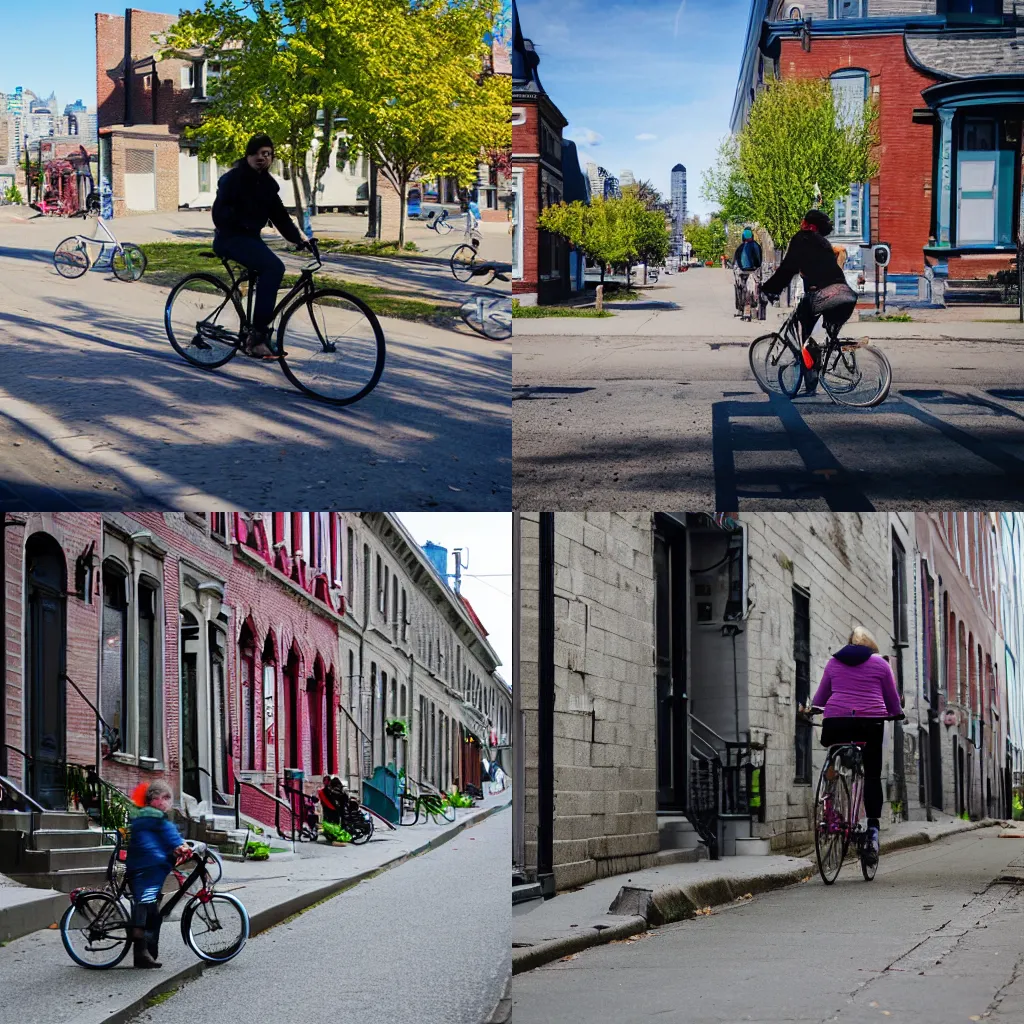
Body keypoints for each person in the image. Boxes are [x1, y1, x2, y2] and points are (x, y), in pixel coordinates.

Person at [211, 133, 316, 359]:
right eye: (258, 153)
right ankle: (257, 338)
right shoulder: (233, 179)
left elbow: (280, 216)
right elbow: (219, 214)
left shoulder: (268, 185)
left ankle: (254, 331)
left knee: (267, 269)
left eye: (267, 154)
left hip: (250, 239)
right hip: (229, 238)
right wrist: (240, 221)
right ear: (248, 155)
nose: (263, 158)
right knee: (274, 268)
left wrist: (299, 239)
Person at [810, 626, 904, 863]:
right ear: (872, 648)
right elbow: (892, 700)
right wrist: (896, 713)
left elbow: (820, 698)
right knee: (872, 775)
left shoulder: (833, 663)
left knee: (835, 750)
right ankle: (872, 828)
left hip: (836, 723)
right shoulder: (881, 665)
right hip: (870, 723)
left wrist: (815, 708)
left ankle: (829, 793)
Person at [760, 209, 858, 393]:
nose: (800, 224)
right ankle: (827, 365)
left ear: (810, 225)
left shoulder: (802, 238)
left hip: (822, 296)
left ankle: (811, 383)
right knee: (823, 338)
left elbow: (787, 269)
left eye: (803, 221)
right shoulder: (825, 244)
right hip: (847, 295)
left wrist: (769, 291)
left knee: (802, 335)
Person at [124, 780, 191, 968]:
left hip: (150, 869)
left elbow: (170, 837)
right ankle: (142, 951)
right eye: (166, 798)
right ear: (155, 799)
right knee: (147, 907)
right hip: (145, 871)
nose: (169, 802)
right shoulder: (150, 818)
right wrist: (167, 853)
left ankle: (147, 953)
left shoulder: (154, 818)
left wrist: (179, 846)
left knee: (153, 911)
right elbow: (153, 844)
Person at [733, 228, 763, 322]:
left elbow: (736, 260)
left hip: (743, 273)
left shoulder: (741, 247)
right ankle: (752, 312)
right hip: (753, 272)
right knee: (752, 293)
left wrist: (738, 271)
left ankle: (745, 313)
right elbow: (759, 260)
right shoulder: (756, 246)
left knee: (744, 292)